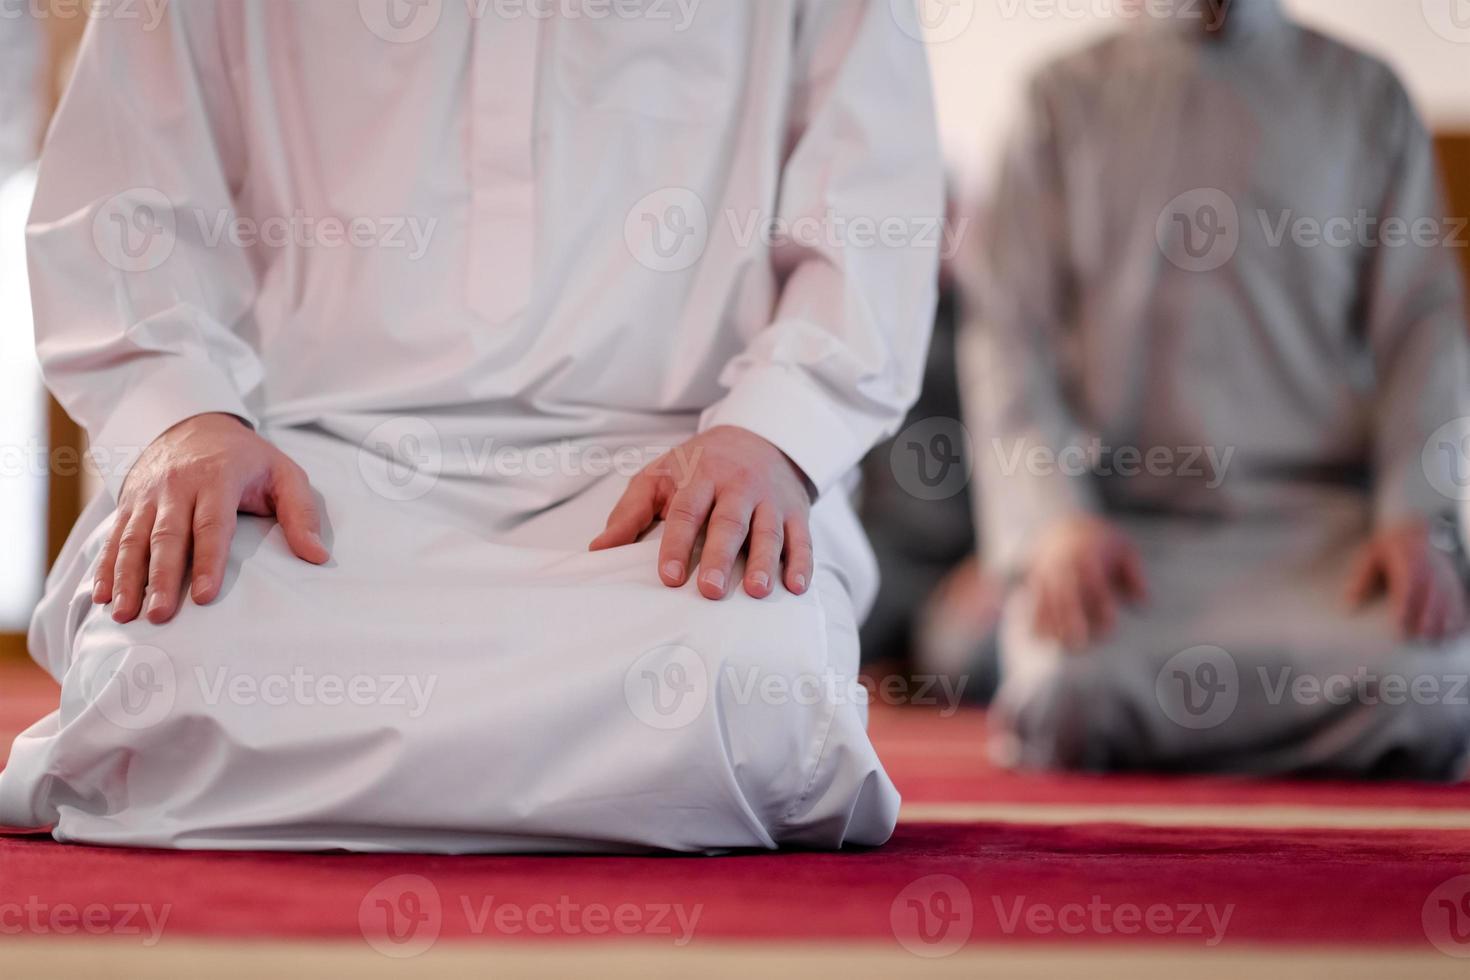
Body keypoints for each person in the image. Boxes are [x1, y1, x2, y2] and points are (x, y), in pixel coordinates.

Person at [0, 2, 942, 852]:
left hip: (670, 481)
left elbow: (869, 223)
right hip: (300, 475)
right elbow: (124, 201)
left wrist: (768, 438)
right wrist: (188, 419)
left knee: (749, 680)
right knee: (163, 662)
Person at [963, 0, 1470, 777]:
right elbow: (1005, 335)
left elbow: (1423, 327)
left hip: (1323, 541)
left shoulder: (1365, 93)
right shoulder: (1056, 101)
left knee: (1437, 687)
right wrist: (1055, 523)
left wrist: (1413, 515)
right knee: (1067, 691)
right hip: (1126, 545)